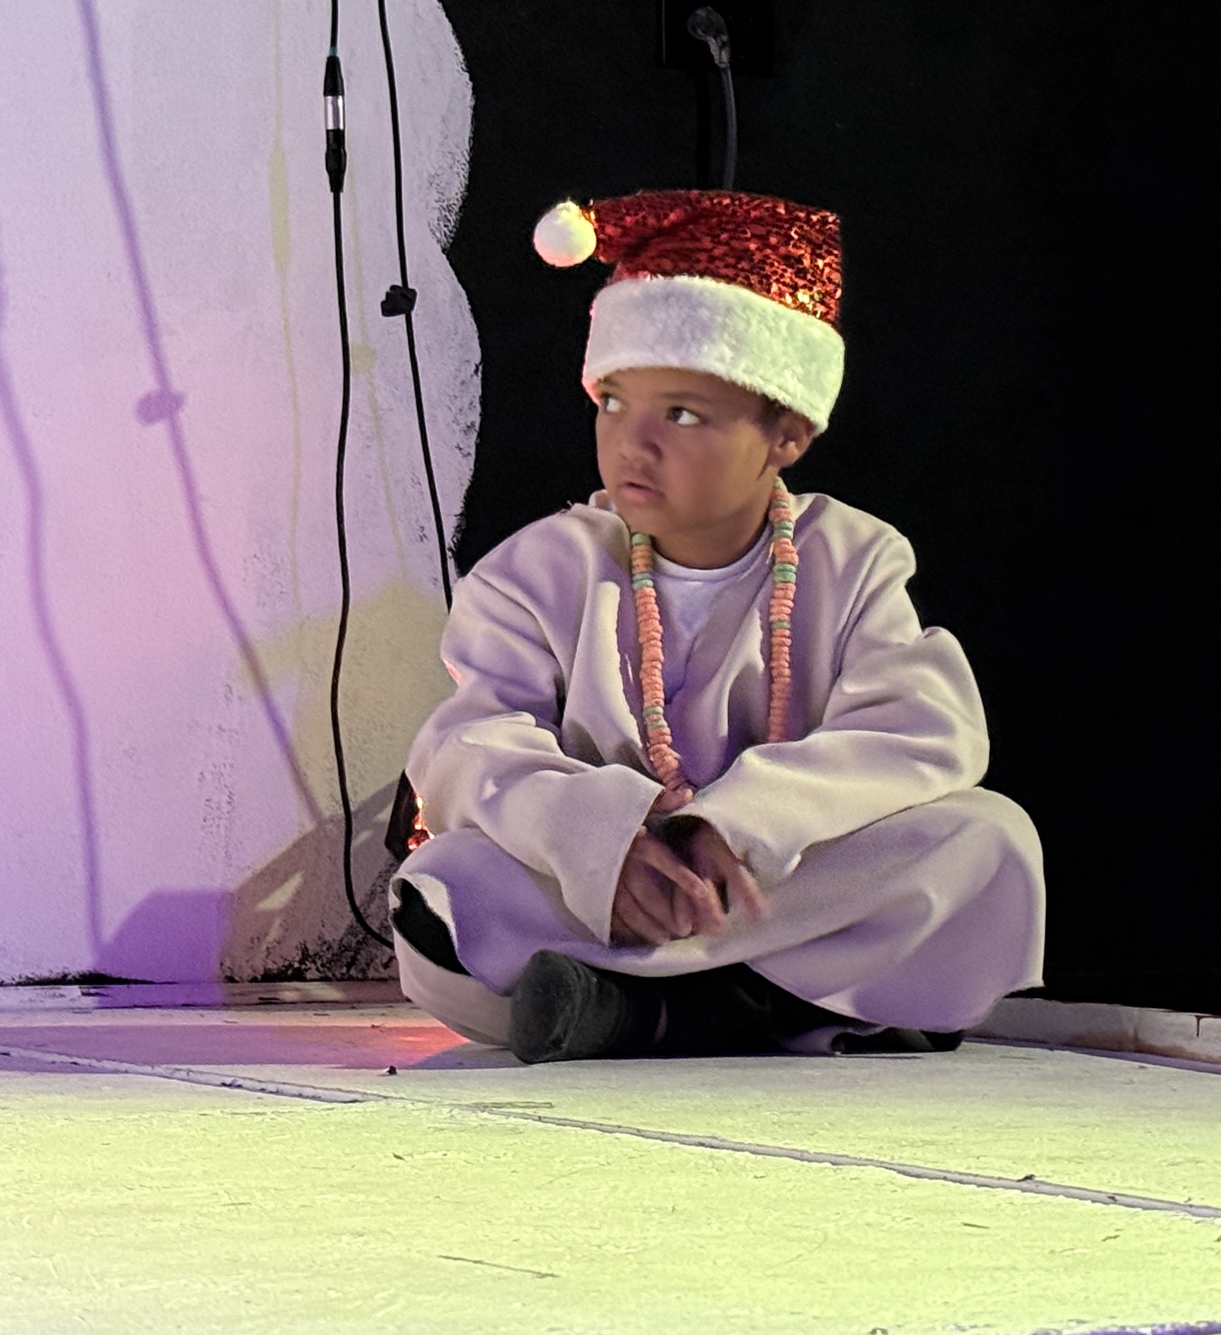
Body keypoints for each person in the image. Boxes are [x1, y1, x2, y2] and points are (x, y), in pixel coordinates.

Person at [387, 189, 1045, 1063]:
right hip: (606, 898)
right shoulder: (534, 571)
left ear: (788, 434)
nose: (633, 443)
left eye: (682, 414)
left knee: (991, 843)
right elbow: (470, 743)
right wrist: (603, 844)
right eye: (612, 402)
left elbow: (923, 728)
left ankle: (642, 1011)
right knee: (442, 887)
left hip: (772, 882)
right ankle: (773, 1006)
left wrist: (734, 827)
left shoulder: (852, 557)